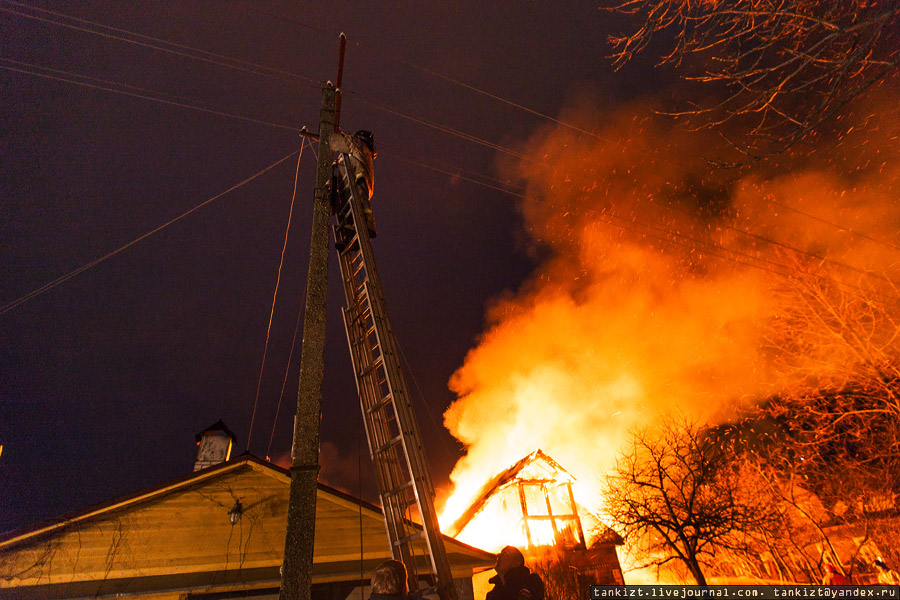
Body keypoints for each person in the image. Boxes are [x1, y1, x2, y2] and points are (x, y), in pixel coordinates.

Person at [329, 129, 377, 238]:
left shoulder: (356, 143)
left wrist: (327, 136)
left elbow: (336, 141)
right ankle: (353, 233)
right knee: (354, 210)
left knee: (355, 208)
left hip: (355, 182)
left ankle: (365, 228)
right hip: (357, 184)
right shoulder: (365, 152)